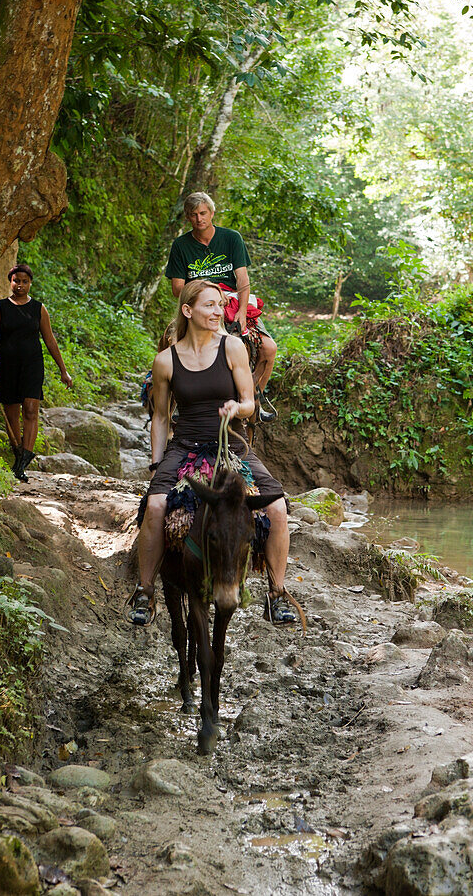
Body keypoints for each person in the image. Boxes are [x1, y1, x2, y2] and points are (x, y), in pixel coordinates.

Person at [128, 279, 296, 626]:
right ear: (188, 311)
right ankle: (145, 592)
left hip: (231, 445)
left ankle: (277, 593)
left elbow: (251, 402)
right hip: (186, 446)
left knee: (277, 507)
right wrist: (158, 463)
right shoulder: (165, 361)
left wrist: (238, 408)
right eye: (210, 305)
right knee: (157, 505)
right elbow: (160, 417)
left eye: (221, 305)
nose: (218, 311)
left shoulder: (234, 347)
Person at [165, 191, 277, 420]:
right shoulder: (181, 245)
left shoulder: (231, 238)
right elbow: (178, 288)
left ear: (212, 213)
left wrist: (243, 312)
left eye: (203, 213)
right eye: (193, 214)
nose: (199, 219)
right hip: (197, 302)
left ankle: (256, 398)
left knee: (269, 348)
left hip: (233, 300)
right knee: (173, 342)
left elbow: (243, 279)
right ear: (187, 217)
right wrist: (207, 290)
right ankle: (177, 400)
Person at [0, 263, 72, 480]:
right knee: (11, 412)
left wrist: (63, 370)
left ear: (30, 283)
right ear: (10, 282)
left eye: (24, 281)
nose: (20, 285)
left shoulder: (39, 309)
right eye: (16, 281)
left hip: (32, 364)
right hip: (7, 365)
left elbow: (49, 340)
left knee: (31, 410)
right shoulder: (0, 307)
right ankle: (17, 455)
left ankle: (24, 462)